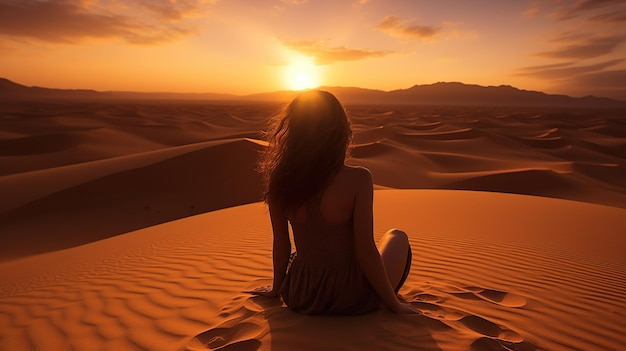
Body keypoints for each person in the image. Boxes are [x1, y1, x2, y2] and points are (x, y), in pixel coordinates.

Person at [249, 90, 418, 315]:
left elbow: (282, 245)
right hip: (350, 298)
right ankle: (383, 298)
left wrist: (275, 289)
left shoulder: (281, 179)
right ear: (340, 132)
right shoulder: (359, 178)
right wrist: (395, 305)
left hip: (301, 295)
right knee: (397, 236)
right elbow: (365, 251)